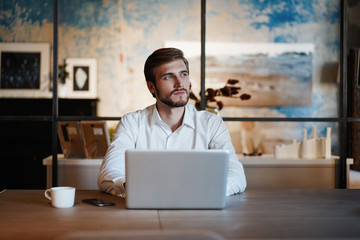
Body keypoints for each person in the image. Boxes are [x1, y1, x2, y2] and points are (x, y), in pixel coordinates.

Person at [98, 47, 246, 197]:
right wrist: (135, 188)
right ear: (151, 87)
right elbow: (108, 175)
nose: (179, 83)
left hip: (200, 214)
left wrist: (206, 191)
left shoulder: (212, 124)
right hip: (144, 215)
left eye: (184, 74)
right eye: (168, 77)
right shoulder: (132, 123)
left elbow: (237, 175)